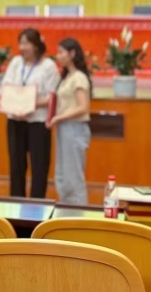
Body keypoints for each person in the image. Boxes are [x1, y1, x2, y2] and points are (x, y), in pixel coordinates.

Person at [1, 28, 60, 198]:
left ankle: (37, 204)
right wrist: (15, 103)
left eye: (26, 43)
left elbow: (52, 96)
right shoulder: (16, 63)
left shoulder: (48, 66)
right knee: (16, 165)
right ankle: (16, 202)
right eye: (20, 43)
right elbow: (6, 86)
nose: (22, 47)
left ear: (36, 45)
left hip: (38, 121)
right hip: (15, 120)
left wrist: (30, 104)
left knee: (39, 165)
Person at [48, 38, 92, 205]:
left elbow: (83, 107)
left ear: (72, 54)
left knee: (73, 177)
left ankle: (78, 212)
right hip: (64, 128)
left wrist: (59, 117)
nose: (58, 56)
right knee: (63, 176)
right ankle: (67, 209)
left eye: (61, 52)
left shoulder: (79, 77)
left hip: (74, 128)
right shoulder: (66, 77)